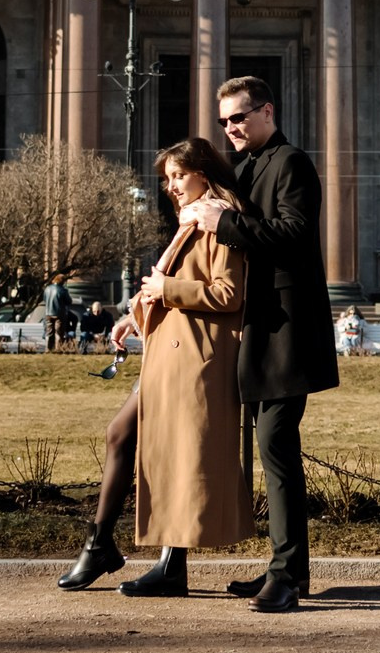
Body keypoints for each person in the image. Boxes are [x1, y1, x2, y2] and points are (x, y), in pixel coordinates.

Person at [58, 137, 252, 599]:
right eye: (166, 179)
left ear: (204, 172)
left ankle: (163, 563)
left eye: (179, 175)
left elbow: (228, 294)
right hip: (171, 356)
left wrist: (166, 290)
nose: (171, 186)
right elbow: (175, 287)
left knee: (173, 454)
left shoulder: (219, 220)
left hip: (195, 360)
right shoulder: (191, 222)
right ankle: (103, 543)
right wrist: (136, 314)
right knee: (124, 435)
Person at [185, 75, 338, 612]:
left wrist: (225, 221)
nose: (230, 128)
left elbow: (294, 235)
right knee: (271, 449)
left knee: (275, 445)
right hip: (258, 328)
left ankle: (287, 577)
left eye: (239, 117)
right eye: (224, 120)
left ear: (267, 111)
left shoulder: (291, 162)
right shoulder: (245, 168)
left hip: (288, 328)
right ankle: (285, 568)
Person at [43, 273, 73, 351]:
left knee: (49, 332)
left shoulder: (47, 289)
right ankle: (58, 349)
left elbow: (45, 299)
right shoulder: (63, 290)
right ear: (62, 281)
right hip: (59, 314)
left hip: (48, 313)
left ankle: (48, 349)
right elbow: (69, 301)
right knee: (58, 332)